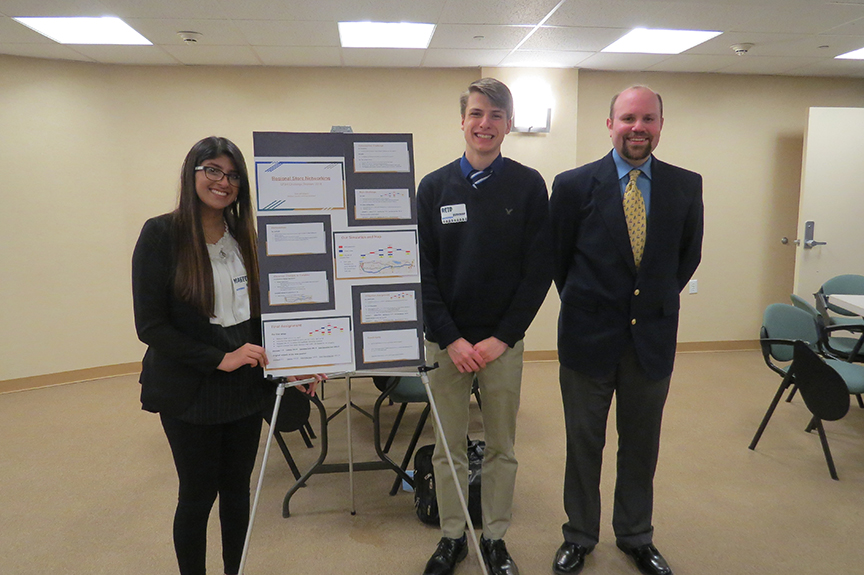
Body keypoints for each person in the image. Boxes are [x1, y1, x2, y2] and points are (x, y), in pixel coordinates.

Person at [132, 136, 321, 575]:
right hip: (190, 387)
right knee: (197, 495)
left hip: (244, 387)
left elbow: (268, 316)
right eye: (213, 170)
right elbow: (151, 326)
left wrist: (300, 361)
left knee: (238, 490)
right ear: (192, 173)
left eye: (233, 175)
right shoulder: (161, 234)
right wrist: (220, 358)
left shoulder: (245, 238)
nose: (223, 182)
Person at [549, 86, 703, 575]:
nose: (639, 127)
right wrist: (593, 304)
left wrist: (649, 302)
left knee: (641, 445)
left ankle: (636, 534)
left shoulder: (685, 185)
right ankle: (579, 535)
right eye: (628, 118)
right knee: (583, 444)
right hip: (586, 339)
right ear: (611, 124)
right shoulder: (572, 185)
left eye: (648, 119)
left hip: (651, 341)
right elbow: (558, 261)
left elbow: (687, 257)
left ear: (660, 125)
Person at [417, 78, 553, 575]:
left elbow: (538, 271)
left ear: (509, 124)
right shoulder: (433, 188)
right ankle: (452, 536)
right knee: (447, 447)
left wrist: (502, 338)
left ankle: (495, 538)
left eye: (496, 115)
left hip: (502, 345)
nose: (485, 123)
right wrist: (451, 338)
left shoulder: (528, 185)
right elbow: (422, 272)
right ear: (462, 121)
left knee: (502, 447)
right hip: (446, 344)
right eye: (476, 113)